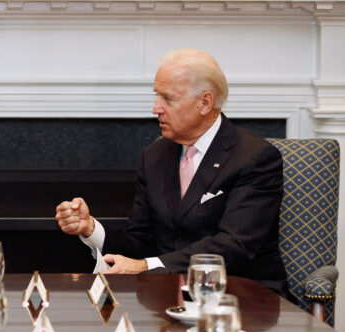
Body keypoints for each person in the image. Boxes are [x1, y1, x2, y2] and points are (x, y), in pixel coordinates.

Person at [55, 48, 287, 296]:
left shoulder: (255, 158)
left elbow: (233, 246)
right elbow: (141, 240)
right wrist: (91, 229)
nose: (156, 108)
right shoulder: (154, 156)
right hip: (167, 296)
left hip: (242, 297)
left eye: (168, 98)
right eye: (157, 96)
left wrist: (148, 266)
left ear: (205, 103)